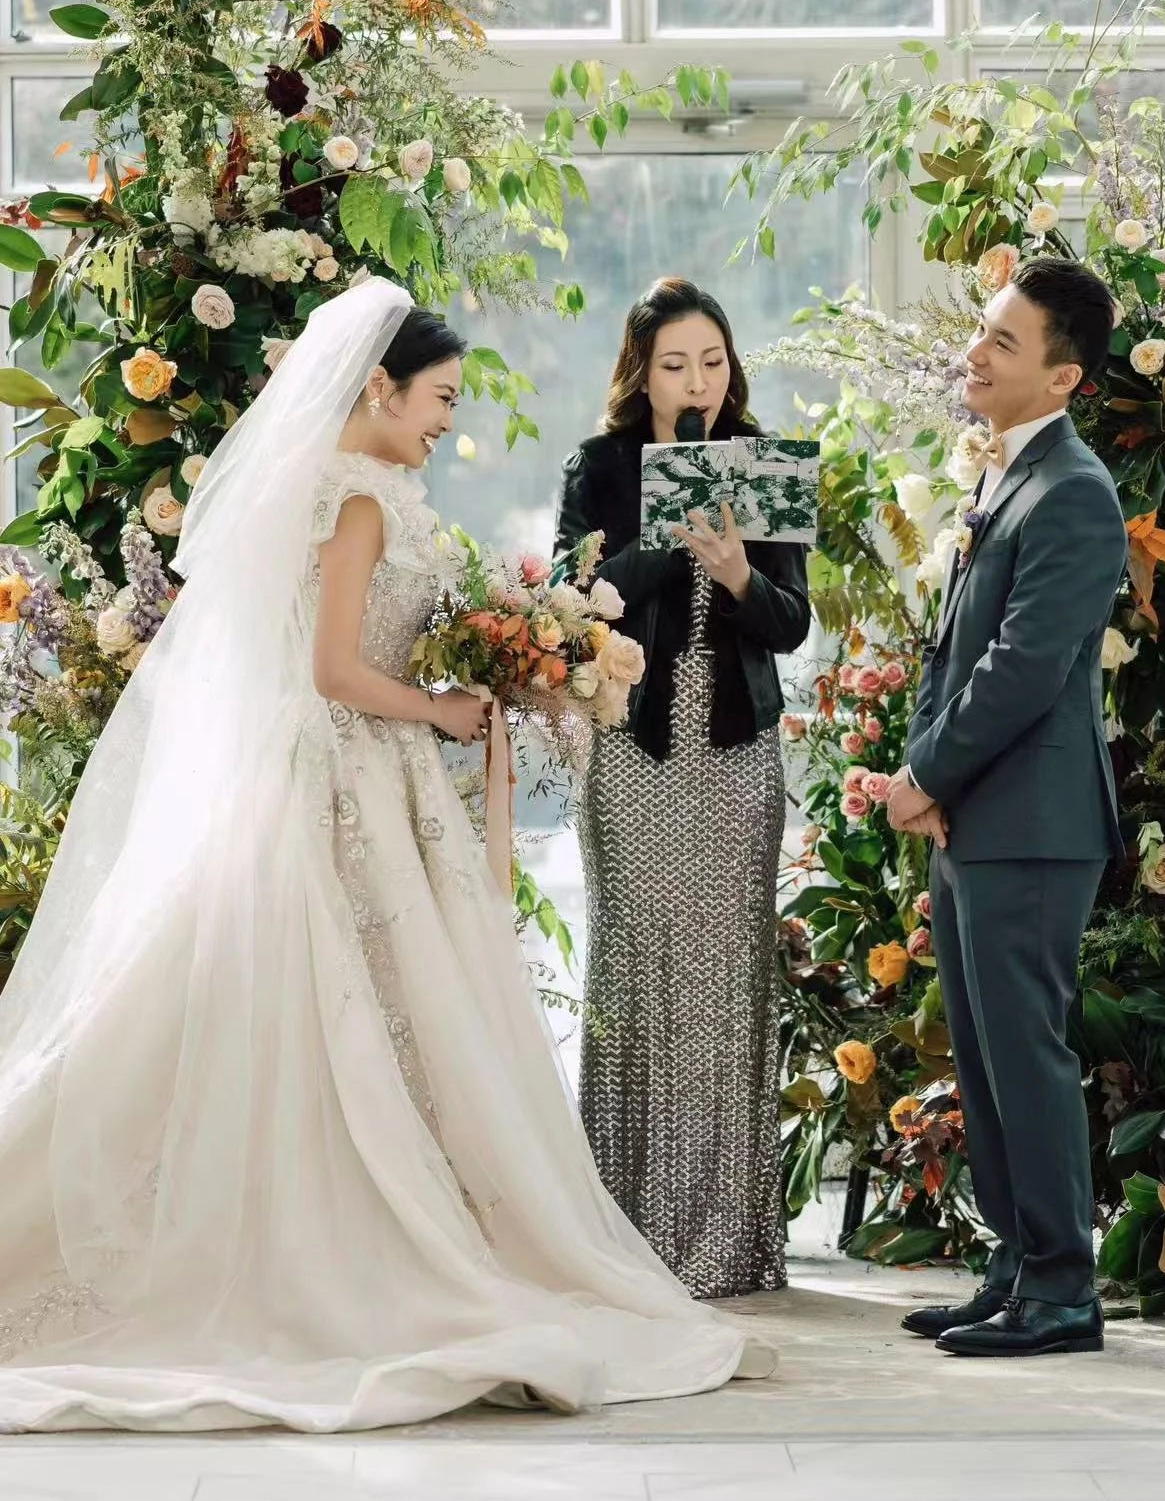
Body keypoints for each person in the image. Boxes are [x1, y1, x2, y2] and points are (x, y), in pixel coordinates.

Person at [0, 277, 772, 1431]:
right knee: (331, 1004)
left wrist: (492, 664)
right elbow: (331, 671)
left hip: (376, 768)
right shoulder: (357, 503)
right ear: (377, 387)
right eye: (441, 397)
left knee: (366, 1009)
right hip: (342, 771)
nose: (449, 419)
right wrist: (443, 708)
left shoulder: (363, 491)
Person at [887, 257, 1127, 1359]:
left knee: (1024, 1053)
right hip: (977, 814)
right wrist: (922, 778)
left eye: (1001, 341)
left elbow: (1023, 669)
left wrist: (930, 775)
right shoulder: (1009, 474)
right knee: (984, 1060)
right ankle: (1017, 1266)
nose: (973, 352)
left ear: (1063, 377)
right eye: (981, 331)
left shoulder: (1074, 489)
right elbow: (952, 654)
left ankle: (1063, 1289)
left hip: (1032, 821)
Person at [554, 277, 810, 1300]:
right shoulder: (599, 466)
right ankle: (626, 1231)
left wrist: (741, 573)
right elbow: (573, 599)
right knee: (636, 971)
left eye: (711, 361)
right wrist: (667, 543)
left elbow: (791, 623)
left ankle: (725, 1236)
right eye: (674, 364)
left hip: (737, 751)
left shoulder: (764, 462)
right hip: (633, 746)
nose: (696, 381)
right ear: (641, 373)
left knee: (726, 978)